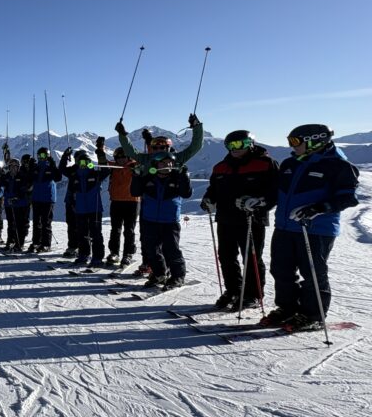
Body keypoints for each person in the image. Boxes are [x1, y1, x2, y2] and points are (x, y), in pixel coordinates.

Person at [262, 124, 359, 331]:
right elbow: (276, 193)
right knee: (281, 270)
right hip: (285, 226)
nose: (291, 146)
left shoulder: (338, 165)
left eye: (296, 142)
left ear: (316, 140)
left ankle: (312, 314)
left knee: (313, 272)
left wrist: (318, 208)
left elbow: (348, 198)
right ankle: (287, 308)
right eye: (290, 141)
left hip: (315, 229)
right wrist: (261, 202)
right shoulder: (290, 163)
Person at [200, 130, 278, 309]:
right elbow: (213, 189)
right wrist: (208, 200)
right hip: (225, 218)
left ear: (250, 144)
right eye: (230, 145)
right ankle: (234, 290)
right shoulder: (221, 167)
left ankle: (253, 295)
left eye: (240, 144)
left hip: (252, 219)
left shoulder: (265, 164)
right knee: (226, 257)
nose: (235, 149)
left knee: (251, 258)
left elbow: (275, 192)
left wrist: (260, 202)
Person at [131, 151, 193, 289]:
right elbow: (135, 192)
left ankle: (177, 276)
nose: (168, 165)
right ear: (156, 164)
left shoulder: (177, 177)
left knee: (171, 249)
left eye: (170, 163)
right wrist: (136, 176)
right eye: (164, 163)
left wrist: (185, 176)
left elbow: (186, 193)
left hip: (170, 220)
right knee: (151, 250)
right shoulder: (148, 178)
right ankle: (159, 274)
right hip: (150, 219)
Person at [59, 146, 109, 265]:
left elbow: (106, 170)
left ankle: (97, 257)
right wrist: (65, 156)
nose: (83, 164)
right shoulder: (74, 174)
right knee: (82, 233)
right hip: (80, 209)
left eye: (86, 161)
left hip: (94, 209)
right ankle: (83, 254)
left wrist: (101, 155)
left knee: (96, 234)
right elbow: (62, 169)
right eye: (80, 161)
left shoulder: (95, 173)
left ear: (89, 162)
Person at [97, 141, 139, 267]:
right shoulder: (113, 166)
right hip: (116, 202)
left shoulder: (134, 165)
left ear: (128, 157)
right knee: (115, 229)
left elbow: (146, 161)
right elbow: (103, 162)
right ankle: (114, 252)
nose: (121, 160)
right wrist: (100, 149)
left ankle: (128, 254)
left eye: (123, 157)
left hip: (132, 202)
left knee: (129, 230)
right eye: (118, 157)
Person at [29, 147, 62, 253]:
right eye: (39, 156)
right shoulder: (36, 168)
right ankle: (36, 242)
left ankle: (46, 244)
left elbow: (58, 178)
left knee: (45, 222)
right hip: (36, 198)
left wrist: (53, 166)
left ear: (47, 156)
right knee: (36, 222)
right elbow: (29, 179)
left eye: (43, 156)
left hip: (48, 198)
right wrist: (30, 167)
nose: (41, 158)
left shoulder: (50, 167)